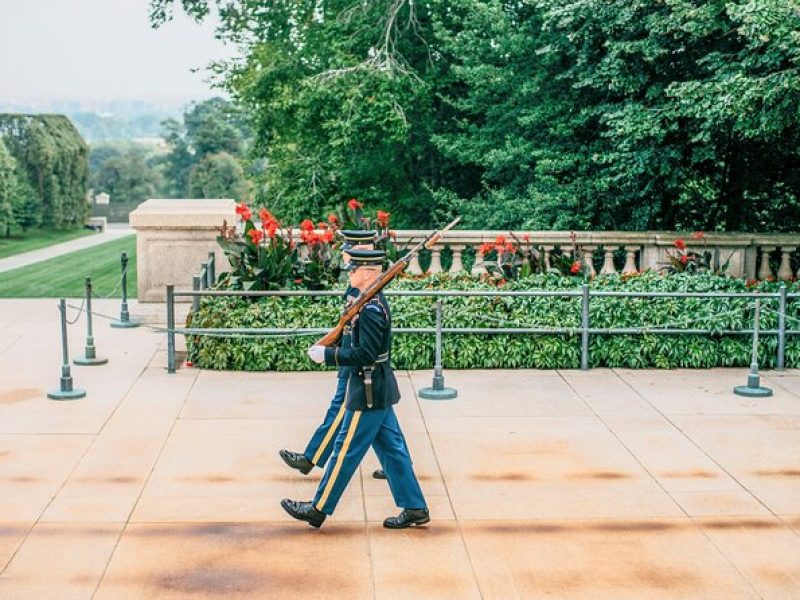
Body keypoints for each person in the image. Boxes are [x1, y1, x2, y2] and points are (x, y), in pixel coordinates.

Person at [281, 248, 429, 529]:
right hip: (377, 388)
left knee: (344, 450)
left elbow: (366, 355)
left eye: (353, 269)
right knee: (393, 451)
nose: (349, 273)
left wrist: (329, 355)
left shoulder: (371, 310)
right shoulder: (366, 301)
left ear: (369, 273)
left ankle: (318, 508)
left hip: (368, 390)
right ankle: (415, 507)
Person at [278, 230, 387, 480]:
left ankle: (311, 458)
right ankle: (397, 467)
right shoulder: (357, 287)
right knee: (385, 429)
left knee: (341, 410)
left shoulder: (368, 290)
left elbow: (364, 334)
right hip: (348, 355)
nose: (346, 260)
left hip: (355, 362)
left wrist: (333, 354)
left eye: (350, 251)